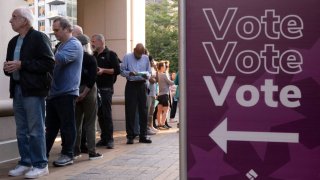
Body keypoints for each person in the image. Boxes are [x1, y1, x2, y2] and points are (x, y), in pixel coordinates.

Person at [3, 7, 54, 178]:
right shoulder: (12, 41)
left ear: (24, 20)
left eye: (14, 17)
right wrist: (7, 67)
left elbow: (49, 63)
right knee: (21, 130)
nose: (11, 20)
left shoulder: (39, 38)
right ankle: (25, 162)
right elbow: (10, 65)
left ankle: (40, 164)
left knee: (35, 129)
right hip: (17, 88)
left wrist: (22, 64)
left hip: (34, 90)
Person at [45, 17, 83, 167]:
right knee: (51, 127)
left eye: (56, 30)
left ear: (68, 29)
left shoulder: (74, 44)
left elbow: (58, 59)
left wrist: (43, 51)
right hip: (55, 93)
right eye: (53, 30)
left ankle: (68, 154)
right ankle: (43, 154)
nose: (54, 33)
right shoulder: (61, 45)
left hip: (66, 93)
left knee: (67, 125)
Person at [74, 34, 103, 160]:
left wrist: (78, 94)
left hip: (74, 90)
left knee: (76, 123)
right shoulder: (91, 58)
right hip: (89, 91)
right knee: (91, 122)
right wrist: (84, 93)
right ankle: (92, 152)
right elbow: (92, 80)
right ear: (87, 45)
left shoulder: (74, 58)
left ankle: (75, 151)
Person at [91, 34, 120, 149]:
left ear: (101, 42)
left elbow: (116, 70)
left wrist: (103, 70)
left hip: (106, 89)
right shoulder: (93, 55)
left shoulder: (111, 54)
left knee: (107, 114)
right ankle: (104, 138)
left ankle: (110, 139)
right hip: (94, 89)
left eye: (93, 41)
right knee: (100, 114)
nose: (92, 43)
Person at [120, 43, 152, 144]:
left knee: (143, 110)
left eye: (140, 54)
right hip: (131, 84)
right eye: (137, 54)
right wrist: (129, 73)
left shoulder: (146, 58)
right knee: (130, 110)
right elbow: (121, 71)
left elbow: (149, 72)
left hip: (142, 84)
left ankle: (143, 135)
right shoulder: (127, 57)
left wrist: (147, 75)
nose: (139, 56)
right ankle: (130, 136)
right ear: (134, 50)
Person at [156, 62, 175, 130]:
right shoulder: (164, 75)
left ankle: (159, 124)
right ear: (161, 67)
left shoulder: (157, 74)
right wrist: (175, 80)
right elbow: (170, 83)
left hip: (160, 95)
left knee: (159, 111)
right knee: (166, 110)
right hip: (165, 95)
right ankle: (163, 124)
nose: (165, 67)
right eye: (164, 66)